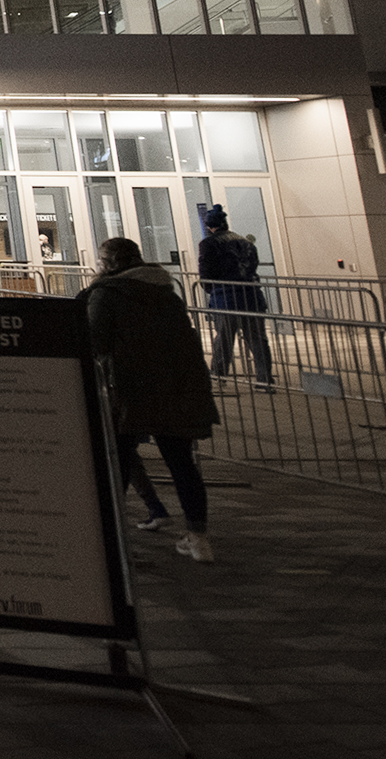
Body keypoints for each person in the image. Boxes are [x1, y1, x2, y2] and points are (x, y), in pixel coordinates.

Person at [83, 236, 220, 562]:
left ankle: (111, 534)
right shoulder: (164, 290)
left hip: (132, 389)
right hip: (177, 384)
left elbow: (94, 341)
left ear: (108, 263)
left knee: (119, 461)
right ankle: (199, 537)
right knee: (181, 462)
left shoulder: (107, 294)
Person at [196, 207, 274, 389]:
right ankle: (265, 379)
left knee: (224, 338)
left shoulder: (209, 244)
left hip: (225, 298)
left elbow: (206, 271)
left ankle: (218, 375)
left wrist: (209, 288)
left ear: (210, 226)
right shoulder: (246, 243)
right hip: (252, 297)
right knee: (257, 339)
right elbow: (252, 266)